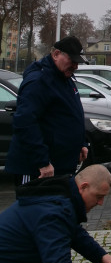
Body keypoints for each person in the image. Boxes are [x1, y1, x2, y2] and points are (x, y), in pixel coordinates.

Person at [5, 36, 90, 183]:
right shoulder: (39, 81)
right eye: (73, 61)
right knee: (35, 205)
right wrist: (42, 162)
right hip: (38, 169)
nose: (76, 66)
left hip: (61, 165)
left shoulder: (65, 79)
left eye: (78, 62)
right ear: (56, 54)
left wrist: (81, 143)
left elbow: (70, 114)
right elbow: (25, 123)